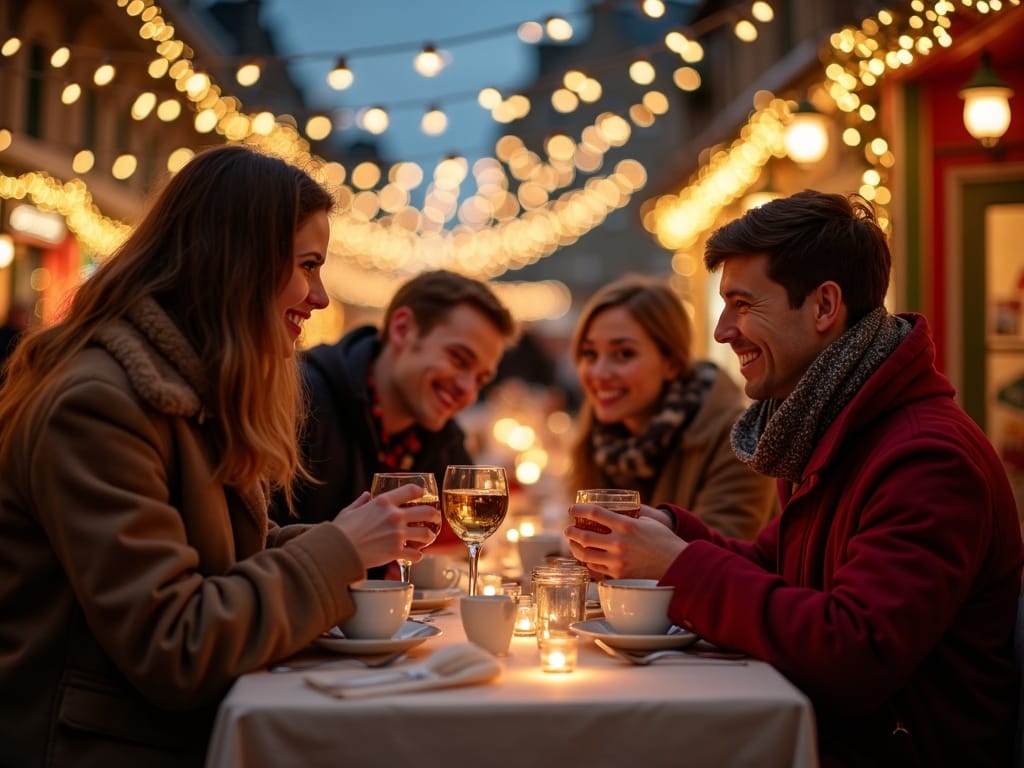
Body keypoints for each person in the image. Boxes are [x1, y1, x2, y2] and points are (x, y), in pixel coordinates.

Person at [0, 145, 441, 768]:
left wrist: (350, 539)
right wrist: (342, 550)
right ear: (239, 263)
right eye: (308, 265)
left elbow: (217, 565)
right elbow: (177, 644)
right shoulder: (99, 405)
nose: (318, 297)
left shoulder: (183, 386)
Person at [565, 191, 1023, 767]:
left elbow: (854, 654)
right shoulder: (827, 424)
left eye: (742, 304)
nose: (723, 331)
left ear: (824, 306)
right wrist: (670, 532)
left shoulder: (925, 457)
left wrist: (675, 564)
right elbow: (774, 564)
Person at [275, 269, 516, 565]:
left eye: (481, 379)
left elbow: (464, 553)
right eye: (458, 359)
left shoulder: (443, 440)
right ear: (402, 329)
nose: (467, 389)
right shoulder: (301, 401)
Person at [568, 274, 775, 539]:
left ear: (672, 364)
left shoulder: (738, 438)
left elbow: (721, 557)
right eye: (590, 354)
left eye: (624, 354)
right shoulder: (600, 440)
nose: (599, 372)